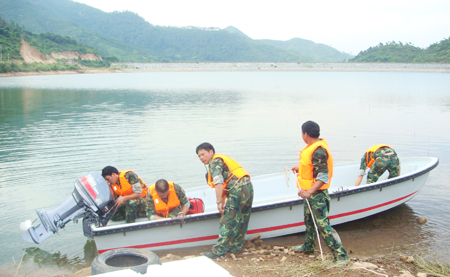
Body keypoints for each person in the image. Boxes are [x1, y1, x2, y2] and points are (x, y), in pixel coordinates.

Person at [291, 121, 349, 262]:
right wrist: (300, 169)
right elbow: (313, 168)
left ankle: (341, 256)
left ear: (305, 134)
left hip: (317, 195)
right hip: (310, 193)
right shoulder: (313, 148)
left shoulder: (318, 150)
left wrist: (309, 192)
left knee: (323, 226)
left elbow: (323, 176)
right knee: (309, 221)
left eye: (302, 133)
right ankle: (308, 246)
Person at [196, 142, 254, 259]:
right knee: (242, 218)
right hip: (248, 187)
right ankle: (236, 246)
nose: (201, 158)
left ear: (211, 152)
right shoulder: (222, 159)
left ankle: (218, 251)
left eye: (203, 154)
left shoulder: (214, 162)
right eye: (199, 156)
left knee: (227, 220)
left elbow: (218, 181)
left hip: (237, 189)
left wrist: (219, 202)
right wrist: (222, 200)